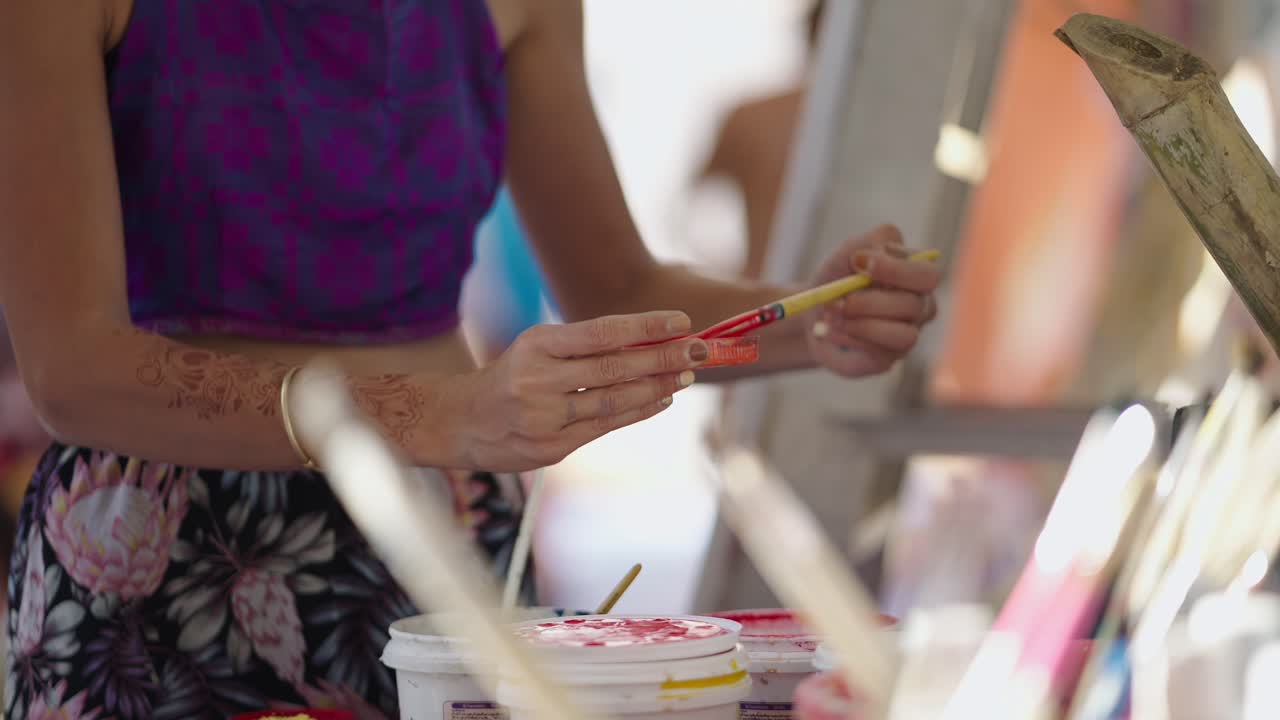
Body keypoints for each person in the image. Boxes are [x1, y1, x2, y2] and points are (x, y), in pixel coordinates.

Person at [0, 0, 941, 718]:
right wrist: (437, 414)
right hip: (150, 548)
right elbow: (71, 369)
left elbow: (615, 284)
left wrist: (811, 323)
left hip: (444, 533)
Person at [703, 0, 825, 279]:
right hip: (774, 285)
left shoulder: (750, 115)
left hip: (757, 283)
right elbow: (700, 208)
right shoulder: (750, 116)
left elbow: (698, 211)